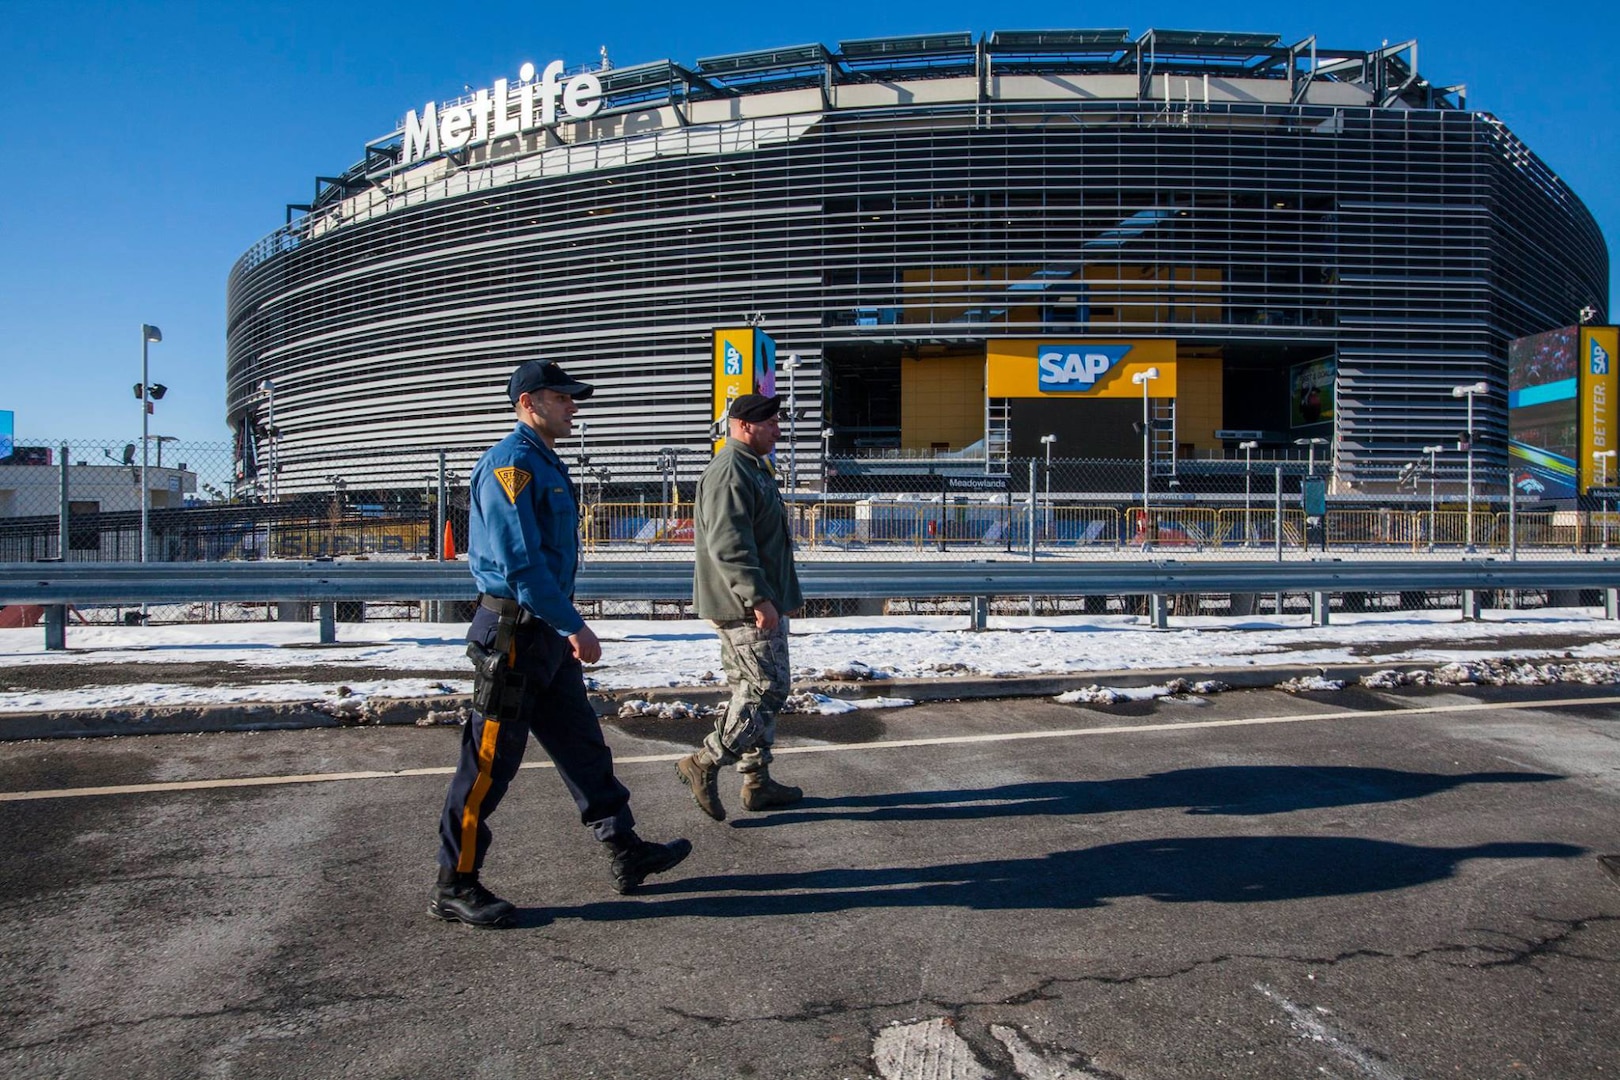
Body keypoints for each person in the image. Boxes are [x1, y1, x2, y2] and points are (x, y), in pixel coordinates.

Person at [432, 359, 691, 928]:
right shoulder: (512, 465)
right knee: (487, 765)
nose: (574, 406)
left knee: (583, 747)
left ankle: (626, 851)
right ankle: (456, 883)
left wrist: (561, 627)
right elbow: (520, 563)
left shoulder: (544, 462)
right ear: (529, 402)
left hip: (542, 635)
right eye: (563, 397)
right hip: (515, 636)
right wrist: (573, 623)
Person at [676, 392, 807, 821]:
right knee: (766, 688)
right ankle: (704, 762)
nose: (778, 429)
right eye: (771, 423)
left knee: (749, 691)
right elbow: (729, 545)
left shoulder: (752, 467)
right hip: (745, 605)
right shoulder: (731, 471)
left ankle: (757, 783)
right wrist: (759, 597)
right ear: (745, 425)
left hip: (755, 600)